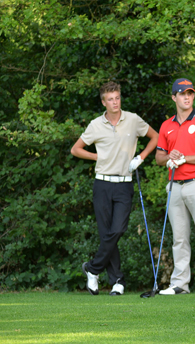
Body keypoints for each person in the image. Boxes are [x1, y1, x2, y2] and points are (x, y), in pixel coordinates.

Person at [71, 81, 159, 296]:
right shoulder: (95, 125)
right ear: (104, 102)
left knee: (117, 230)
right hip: (102, 184)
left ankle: (92, 269)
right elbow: (76, 149)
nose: (115, 102)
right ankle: (117, 281)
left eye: (117, 98)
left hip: (123, 184)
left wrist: (141, 157)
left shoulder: (133, 120)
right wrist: (97, 156)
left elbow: (155, 137)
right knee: (106, 234)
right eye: (110, 99)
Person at [155, 78, 195, 295]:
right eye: (182, 94)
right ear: (174, 97)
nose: (187, 97)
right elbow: (158, 157)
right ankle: (180, 283)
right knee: (179, 238)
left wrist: (185, 158)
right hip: (175, 186)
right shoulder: (166, 126)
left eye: (190, 93)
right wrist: (169, 158)